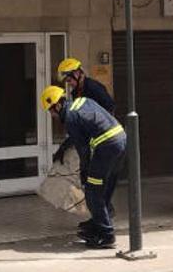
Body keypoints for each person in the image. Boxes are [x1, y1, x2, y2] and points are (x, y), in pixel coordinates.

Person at [40, 85, 125, 249]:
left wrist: (84, 173)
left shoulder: (71, 118)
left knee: (92, 190)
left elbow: (83, 148)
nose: (52, 116)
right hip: (120, 141)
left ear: (57, 105)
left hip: (106, 148)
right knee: (103, 188)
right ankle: (98, 223)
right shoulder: (82, 102)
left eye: (51, 111)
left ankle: (106, 235)